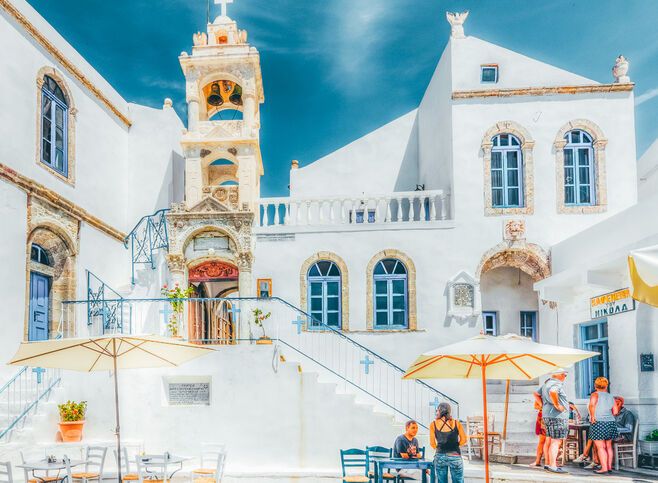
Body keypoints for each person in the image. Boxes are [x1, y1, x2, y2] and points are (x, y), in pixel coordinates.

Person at [534, 368, 570, 474]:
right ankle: (553, 465)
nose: (565, 377)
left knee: (550, 440)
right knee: (556, 441)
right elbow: (553, 392)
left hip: (547, 415)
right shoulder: (556, 384)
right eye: (564, 374)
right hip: (557, 416)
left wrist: (542, 405)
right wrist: (557, 405)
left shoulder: (547, 383)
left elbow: (536, 394)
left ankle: (549, 464)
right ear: (558, 375)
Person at [588, 376, 619, 474]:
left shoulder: (595, 394)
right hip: (610, 422)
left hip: (598, 422)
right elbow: (615, 411)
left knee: (600, 447)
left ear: (595, 385)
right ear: (606, 385)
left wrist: (593, 416)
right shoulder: (611, 396)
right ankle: (609, 467)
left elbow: (592, 405)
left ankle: (604, 468)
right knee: (608, 446)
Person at [430, 402, 466, 483]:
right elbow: (464, 440)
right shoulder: (456, 423)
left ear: (440, 411)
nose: (436, 412)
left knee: (441, 481)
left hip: (440, 456)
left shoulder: (433, 424)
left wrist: (440, 448)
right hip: (455, 454)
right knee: (458, 481)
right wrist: (455, 445)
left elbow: (432, 443)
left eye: (437, 410)